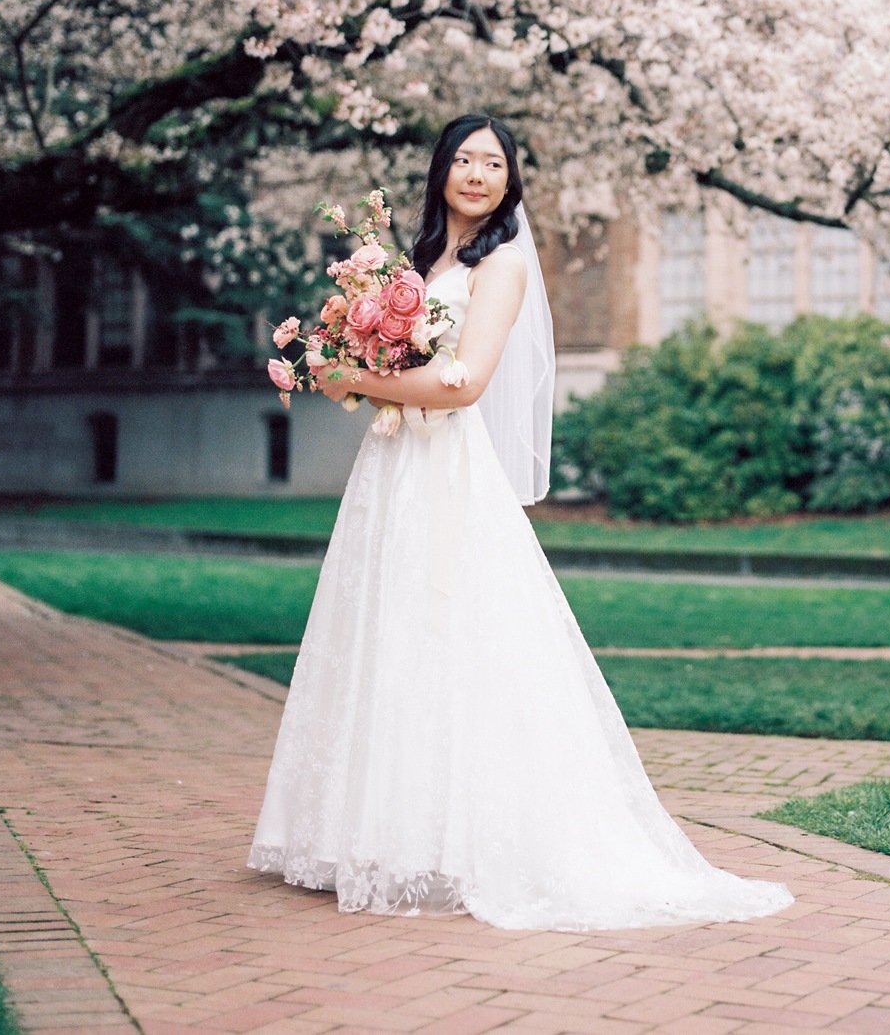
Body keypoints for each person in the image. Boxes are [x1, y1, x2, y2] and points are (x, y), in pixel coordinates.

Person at [248, 113, 793, 930]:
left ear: (510, 181)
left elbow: (463, 384)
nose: (475, 174)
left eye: (492, 164)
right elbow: (409, 362)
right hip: (392, 469)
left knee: (454, 637)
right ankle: (374, 835)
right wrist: (362, 362)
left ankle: (466, 840)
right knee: (386, 636)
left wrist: (353, 379)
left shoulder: (501, 264)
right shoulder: (415, 262)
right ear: (440, 172)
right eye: (462, 159)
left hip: (446, 467)